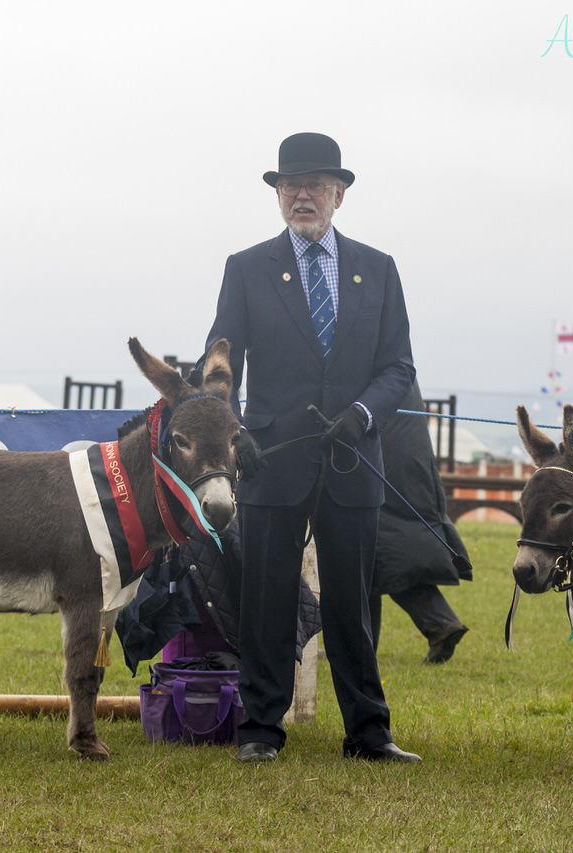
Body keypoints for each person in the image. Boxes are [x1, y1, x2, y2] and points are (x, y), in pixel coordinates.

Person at [201, 132, 419, 763]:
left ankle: (369, 733)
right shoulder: (245, 268)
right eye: (290, 185)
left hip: (353, 458)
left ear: (339, 196)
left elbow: (398, 367)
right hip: (271, 458)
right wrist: (228, 429)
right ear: (278, 195)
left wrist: (361, 412)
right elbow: (222, 357)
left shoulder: (378, 268)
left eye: (316, 186)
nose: (302, 196)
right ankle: (261, 729)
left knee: (352, 601)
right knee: (266, 597)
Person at [370, 380, 470, 664]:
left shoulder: (366, 346)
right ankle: (439, 624)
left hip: (384, 457)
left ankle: (439, 625)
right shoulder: (392, 351)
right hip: (404, 453)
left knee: (376, 554)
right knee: (382, 555)